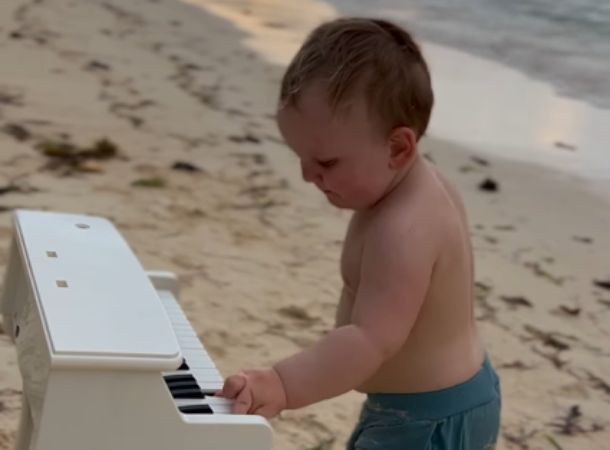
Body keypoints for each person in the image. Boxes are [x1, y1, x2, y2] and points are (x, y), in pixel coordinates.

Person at [218, 17, 501, 449]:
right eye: (301, 157)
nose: (308, 175)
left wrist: (281, 384)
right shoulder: (402, 190)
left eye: (327, 163)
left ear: (397, 148)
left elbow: (369, 339)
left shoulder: (404, 228)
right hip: (423, 401)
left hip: (429, 418)